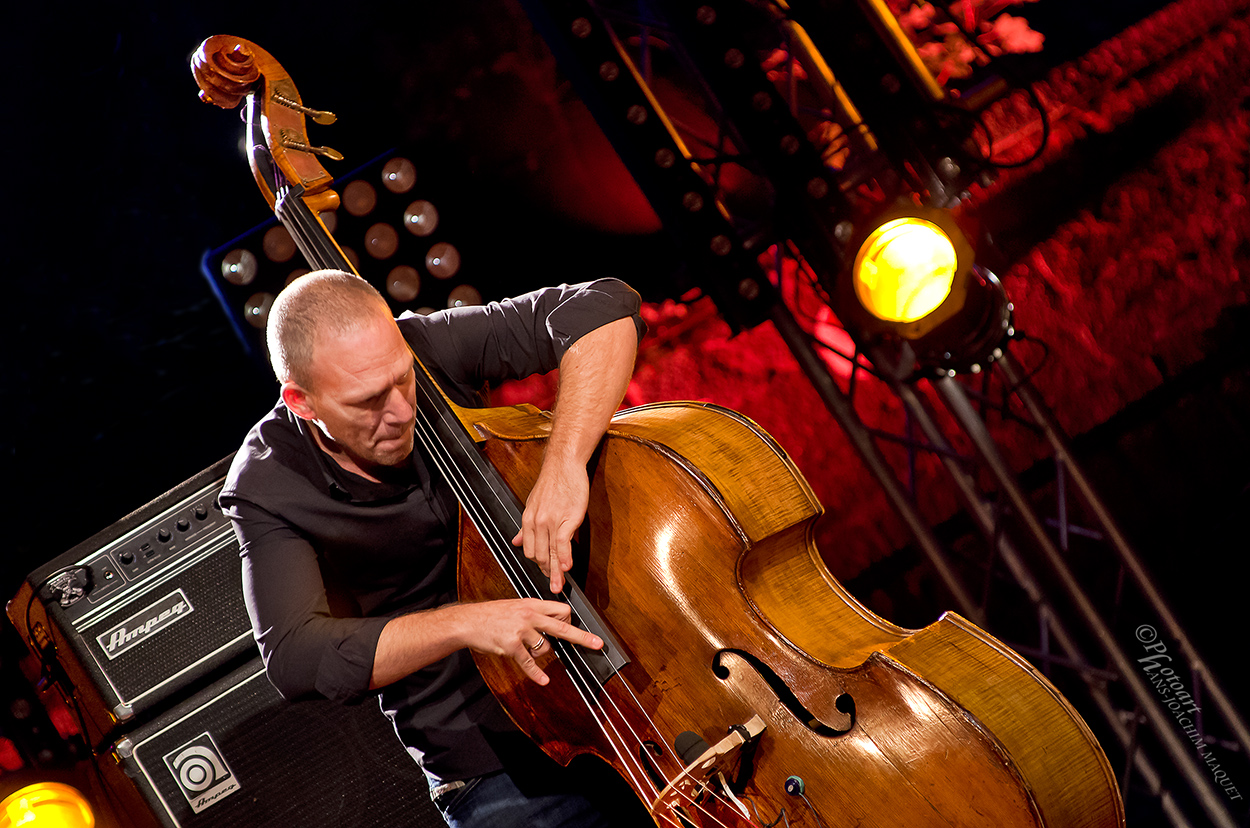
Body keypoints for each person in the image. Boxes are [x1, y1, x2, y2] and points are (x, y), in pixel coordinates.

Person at [217, 269, 651, 827]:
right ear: (302, 401)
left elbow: (605, 308)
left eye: (402, 380)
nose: (400, 412)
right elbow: (299, 658)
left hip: (630, 687)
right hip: (494, 763)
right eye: (368, 402)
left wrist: (565, 462)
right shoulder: (267, 484)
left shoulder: (423, 345)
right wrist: (466, 623)